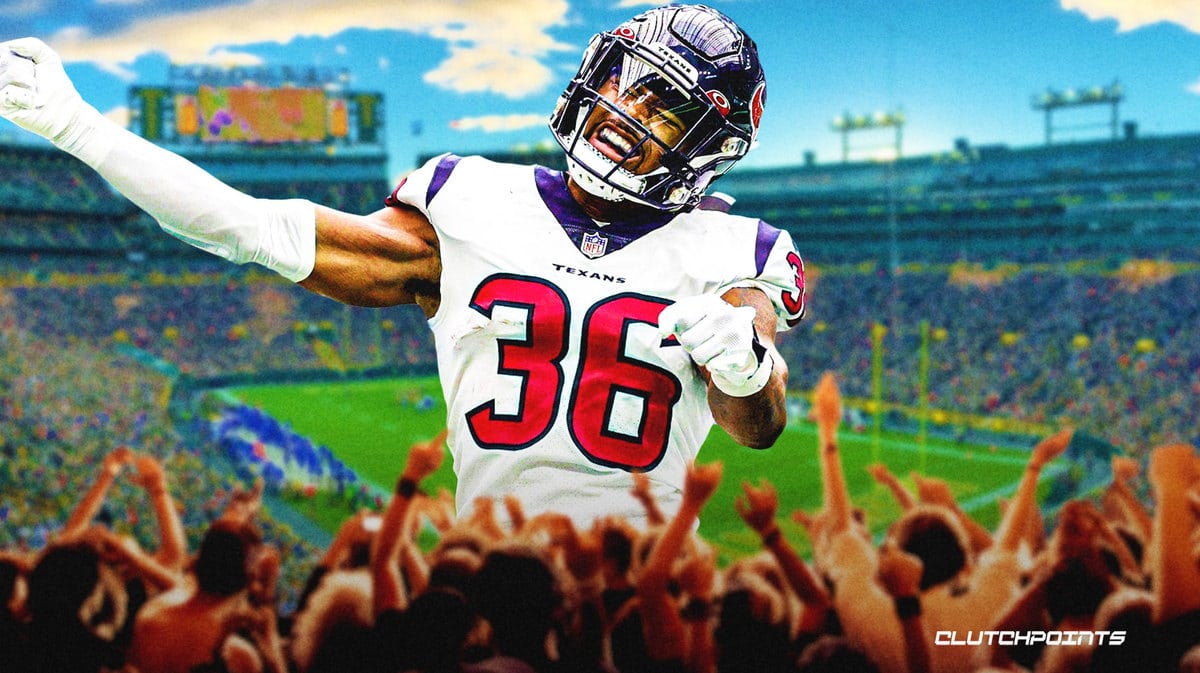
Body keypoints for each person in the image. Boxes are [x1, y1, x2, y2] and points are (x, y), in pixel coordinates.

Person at [0, 3, 805, 526]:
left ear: (713, 146)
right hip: (490, 580)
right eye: (622, 84)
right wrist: (82, 130)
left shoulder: (738, 251)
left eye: (662, 106)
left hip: (653, 601)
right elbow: (254, 229)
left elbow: (758, 425)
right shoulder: (472, 201)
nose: (624, 113)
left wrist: (740, 361)